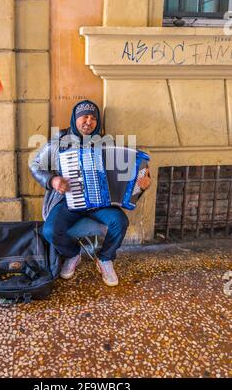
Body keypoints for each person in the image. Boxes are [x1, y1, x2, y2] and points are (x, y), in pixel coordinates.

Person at [29, 100, 151, 287]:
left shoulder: (106, 144)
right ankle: (73, 254)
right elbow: (35, 165)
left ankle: (105, 258)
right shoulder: (59, 141)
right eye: (84, 117)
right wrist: (52, 180)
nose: (88, 121)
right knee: (50, 231)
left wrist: (141, 182)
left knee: (119, 222)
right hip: (66, 200)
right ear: (75, 118)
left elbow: (127, 174)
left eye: (93, 118)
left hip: (100, 202)